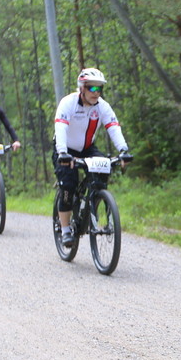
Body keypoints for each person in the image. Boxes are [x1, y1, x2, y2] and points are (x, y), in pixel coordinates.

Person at [53, 68, 131, 247]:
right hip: (65, 148)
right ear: (82, 88)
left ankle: (92, 207)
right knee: (69, 183)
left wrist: (123, 150)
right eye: (92, 88)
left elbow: (113, 126)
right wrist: (63, 153)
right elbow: (61, 128)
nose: (96, 93)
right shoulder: (68, 103)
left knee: (104, 170)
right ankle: (65, 229)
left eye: (100, 89)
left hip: (88, 148)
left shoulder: (102, 106)